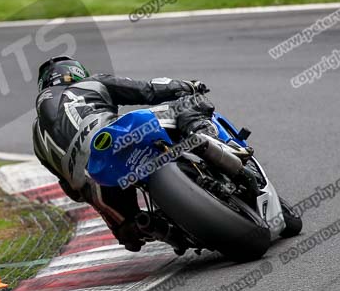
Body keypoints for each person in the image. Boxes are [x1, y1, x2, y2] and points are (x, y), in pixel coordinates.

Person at [31, 56, 216, 252]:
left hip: (95, 179)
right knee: (189, 105)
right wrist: (187, 86)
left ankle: (156, 227)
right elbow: (147, 90)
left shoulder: (37, 137)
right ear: (77, 73)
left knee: (130, 231)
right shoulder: (90, 84)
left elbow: (71, 191)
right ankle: (212, 142)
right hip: (117, 135)